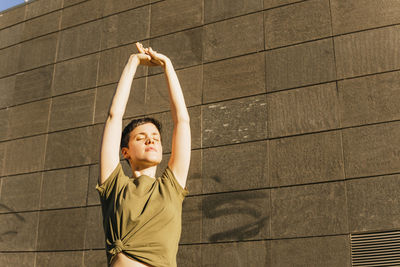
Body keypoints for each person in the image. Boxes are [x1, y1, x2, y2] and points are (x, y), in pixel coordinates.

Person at [96, 42, 191, 267]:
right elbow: (114, 117)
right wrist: (133, 62)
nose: (151, 140)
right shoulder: (115, 186)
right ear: (125, 152)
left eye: (156, 138)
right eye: (141, 137)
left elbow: (182, 121)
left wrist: (167, 66)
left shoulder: (171, 187)